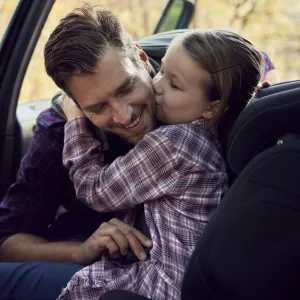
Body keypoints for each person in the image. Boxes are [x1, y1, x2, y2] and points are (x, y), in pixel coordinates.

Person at [42, 6, 260, 299]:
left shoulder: (174, 143)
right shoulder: (200, 139)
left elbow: (95, 190)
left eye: (173, 84)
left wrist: (76, 121)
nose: (156, 86)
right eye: (163, 72)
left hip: (165, 284)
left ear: (212, 106)